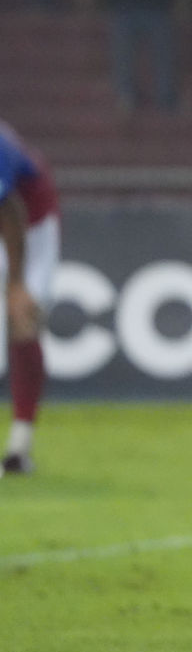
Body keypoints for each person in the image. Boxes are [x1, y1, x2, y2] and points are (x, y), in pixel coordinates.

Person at [0, 119, 58, 477]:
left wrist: (17, 283)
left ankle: (19, 447)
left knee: (23, 318)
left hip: (30, 227)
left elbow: (11, 214)